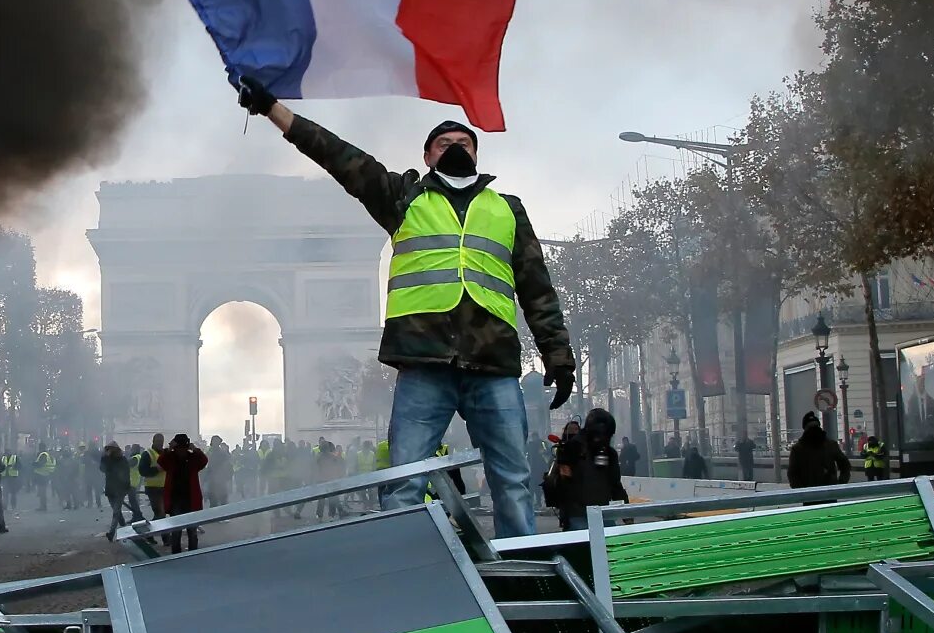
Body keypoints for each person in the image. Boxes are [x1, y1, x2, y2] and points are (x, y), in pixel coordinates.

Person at [239, 80, 574, 539]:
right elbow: (338, 155)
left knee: (513, 481)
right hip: (424, 363)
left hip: (491, 363)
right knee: (403, 482)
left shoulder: (508, 209)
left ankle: (525, 577)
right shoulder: (402, 198)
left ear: (477, 155)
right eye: (444, 143)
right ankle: (411, 567)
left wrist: (559, 354)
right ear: (427, 157)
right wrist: (274, 109)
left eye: (464, 143)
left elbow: (538, 290)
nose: (455, 148)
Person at [543, 407, 627, 531]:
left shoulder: (609, 453)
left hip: (603, 512)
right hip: (577, 514)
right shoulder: (570, 449)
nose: (605, 439)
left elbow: (615, 483)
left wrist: (626, 511)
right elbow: (563, 484)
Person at [158, 433, 209, 552]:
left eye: (183, 448)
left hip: (190, 499)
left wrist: (195, 449)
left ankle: (193, 552)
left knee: (192, 531)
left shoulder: (193, 458)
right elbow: (161, 461)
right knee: (176, 531)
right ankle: (176, 553)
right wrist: (168, 449)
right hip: (175, 499)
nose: (181, 451)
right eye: (179, 448)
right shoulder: (170, 457)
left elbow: (204, 460)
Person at [787, 412, 851, 489]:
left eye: (815, 426)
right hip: (827, 491)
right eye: (811, 426)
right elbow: (845, 465)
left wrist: (800, 490)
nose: (814, 429)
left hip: (810, 493)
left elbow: (792, 474)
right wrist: (840, 483)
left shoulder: (797, 449)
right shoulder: (831, 445)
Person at [101, 443, 136, 541]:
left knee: (116, 512)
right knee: (117, 511)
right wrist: (106, 457)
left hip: (120, 489)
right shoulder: (107, 459)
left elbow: (126, 473)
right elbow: (102, 469)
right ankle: (124, 526)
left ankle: (111, 533)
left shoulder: (122, 459)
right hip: (110, 489)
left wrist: (126, 487)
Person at [140, 432, 170, 523]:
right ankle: (164, 535)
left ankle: (156, 530)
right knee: (160, 513)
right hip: (153, 488)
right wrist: (157, 469)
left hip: (165, 487)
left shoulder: (166, 453)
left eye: (161, 441)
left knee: (161, 512)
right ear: (153, 441)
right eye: (158, 441)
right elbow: (142, 471)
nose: (160, 443)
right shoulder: (147, 454)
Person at [206, 435, 233, 506]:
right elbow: (207, 468)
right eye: (213, 442)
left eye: (216, 442)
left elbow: (228, 466)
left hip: (220, 481)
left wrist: (228, 477)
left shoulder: (223, 454)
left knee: (222, 501)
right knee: (214, 502)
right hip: (212, 481)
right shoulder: (209, 453)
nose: (214, 444)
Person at [33, 443, 56, 511]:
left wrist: (34, 463)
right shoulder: (46, 454)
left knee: (42, 492)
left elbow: (41, 464)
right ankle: (43, 506)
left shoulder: (43, 455)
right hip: (45, 475)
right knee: (42, 492)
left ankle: (43, 506)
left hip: (42, 475)